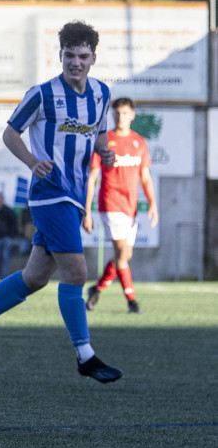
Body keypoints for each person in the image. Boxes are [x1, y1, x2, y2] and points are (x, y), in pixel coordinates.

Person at [0, 21, 123, 383]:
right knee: (77, 272)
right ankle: (85, 355)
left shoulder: (101, 94)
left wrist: (105, 155)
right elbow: (10, 133)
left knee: (35, 277)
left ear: (94, 57)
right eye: (69, 55)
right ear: (59, 56)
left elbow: (100, 137)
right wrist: (32, 162)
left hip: (74, 197)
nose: (76, 62)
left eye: (83, 56)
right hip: (49, 194)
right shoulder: (42, 94)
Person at [83, 97, 158, 314]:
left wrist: (153, 204)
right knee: (122, 255)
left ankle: (96, 290)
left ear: (132, 115)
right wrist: (87, 210)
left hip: (131, 207)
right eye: (117, 113)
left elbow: (145, 176)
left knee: (123, 257)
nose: (120, 117)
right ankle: (132, 301)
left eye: (125, 113)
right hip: (110, 203)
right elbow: (92, 177)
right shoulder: (105, 140)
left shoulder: (139, 142)